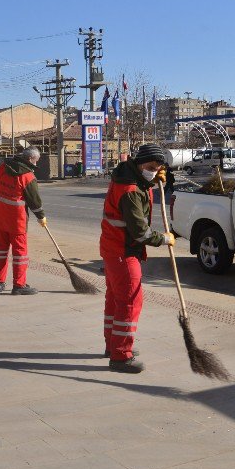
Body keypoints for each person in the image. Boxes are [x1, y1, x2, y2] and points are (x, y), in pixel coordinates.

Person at [100, 143, 174, 373]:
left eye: (158, 168)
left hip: (113, 248)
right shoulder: (130, 190)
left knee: (115, 299)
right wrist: (163, 239)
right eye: (151, 167)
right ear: (141, 163)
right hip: (124, 251)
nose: (153, 171)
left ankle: (112, 346)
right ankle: (121, 355)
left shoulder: (126, 174)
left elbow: (146, 185)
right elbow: (140, 232)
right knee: (131, 301)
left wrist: (159, 181)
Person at [0, 147, 46, 295]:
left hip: (0, 217)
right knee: (20, 253)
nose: (36, 163)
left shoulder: (2, 167)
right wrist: (41, 216)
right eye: (35, 161)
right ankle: (19, 285)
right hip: (17, 221)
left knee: (1, 251)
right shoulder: (28, 177)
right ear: (29, 159)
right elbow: (34, 201)